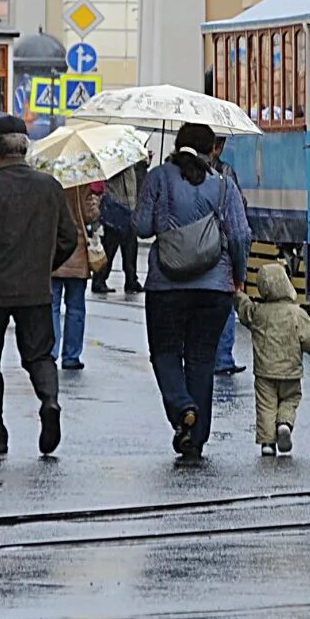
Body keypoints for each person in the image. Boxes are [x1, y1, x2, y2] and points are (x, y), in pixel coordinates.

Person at [134, 122, 253, 462]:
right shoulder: (225, 185)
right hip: (214, 289)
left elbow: (141, 227)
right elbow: (241, 235)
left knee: (165, 353)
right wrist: (238, 277)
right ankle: (195, 439)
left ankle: (182, 407)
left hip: (166, 286)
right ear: (211, 148)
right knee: (202, 359)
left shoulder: (159, 177)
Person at [0, 117, 77, 457]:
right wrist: (44, 265)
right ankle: (50, 401)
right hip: (36, 289)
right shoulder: (50, 187)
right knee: (40, 355)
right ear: (25, 148)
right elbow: (69, 238)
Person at [238, 261, 310, 456]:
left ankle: (267, 443)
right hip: (291, 372)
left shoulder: (258, 312)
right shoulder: (297, 313)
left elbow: (244, 310)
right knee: (290, 398)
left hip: (264, 372)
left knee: (266, 405)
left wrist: (238, 295)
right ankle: (284, 424)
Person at [51, 182, 102, 370]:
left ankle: (51, 351)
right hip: (77, 250)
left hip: (53, 252)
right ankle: (71, 355)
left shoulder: (49, 183)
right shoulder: (83, 185)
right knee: (76, 308)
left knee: (52, 305)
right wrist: (95, 203)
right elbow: (91, 215)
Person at [211, 137, 248, 377]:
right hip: (219, 253)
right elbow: (239, 227)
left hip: (183, 257)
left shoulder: (173, 173)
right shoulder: (225, 175)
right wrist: (240, 269)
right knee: (225, 306)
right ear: (217, 147)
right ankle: (223, 358)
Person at [97, 159, 145, 295]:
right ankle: (100, 279)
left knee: (130, 246)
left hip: (130, 207)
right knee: (110, 245)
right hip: (117, 206)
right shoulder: (116, 159)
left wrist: (143, 163)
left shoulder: (132, 163)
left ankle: (131, 280)